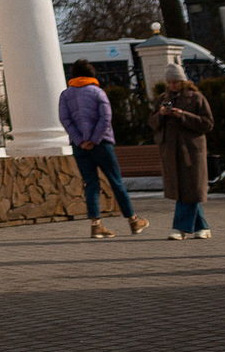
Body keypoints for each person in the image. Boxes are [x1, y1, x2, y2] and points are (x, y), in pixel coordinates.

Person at [58, 71, 146, 239]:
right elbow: (105, 118)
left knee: (91, 184)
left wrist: (80, 141)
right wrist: (94, 140)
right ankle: (133, 221)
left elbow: (65, 119)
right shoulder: (98, 92)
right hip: (101, 144)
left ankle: (96, 225)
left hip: (79, 147)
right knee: (116, 181)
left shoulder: (65, 94)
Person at [151, 65, 214, 239]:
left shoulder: (196, 98)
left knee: (191, 188)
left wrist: (182, 115)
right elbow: (152, 122)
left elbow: (207, 123)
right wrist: (161, 114)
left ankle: (180, 228)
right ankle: (203, 227)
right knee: (184, 189)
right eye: (170, 82)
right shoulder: (163, 99)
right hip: (171, 151)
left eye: (176, 82)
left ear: (183, 81)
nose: (173, 86)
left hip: (191, 150)